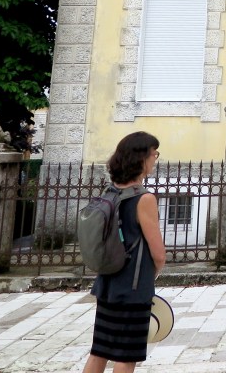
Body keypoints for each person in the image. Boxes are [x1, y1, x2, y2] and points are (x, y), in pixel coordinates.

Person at [82, 131, 166, 373]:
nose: (155, 160)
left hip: (107, 283)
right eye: (154, 154)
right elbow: (158, 253)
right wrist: (153, 274)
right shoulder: (144, 199)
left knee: (100, 351)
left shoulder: (110, 192)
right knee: (126, 356)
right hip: (133, 287)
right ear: (141, 158)